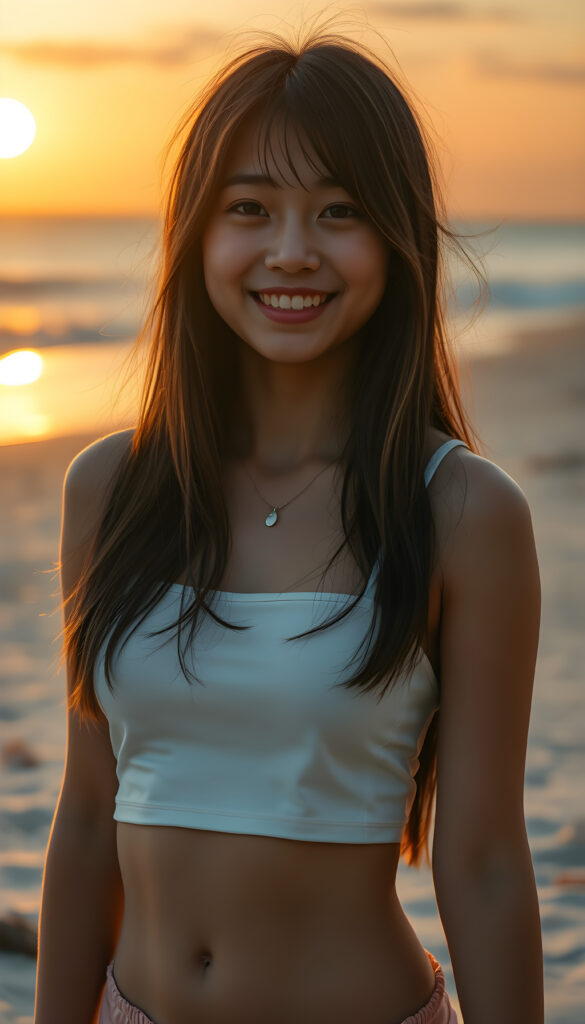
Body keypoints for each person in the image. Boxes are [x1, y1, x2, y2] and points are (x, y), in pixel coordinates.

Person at [34, 27, 544, 1024]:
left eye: (340, 211)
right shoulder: (111, 488)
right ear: (197, 234)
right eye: (250, 208)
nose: (292, 251)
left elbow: (482, 862)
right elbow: (88, 822)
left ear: (397, 239)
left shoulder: (467, 512)